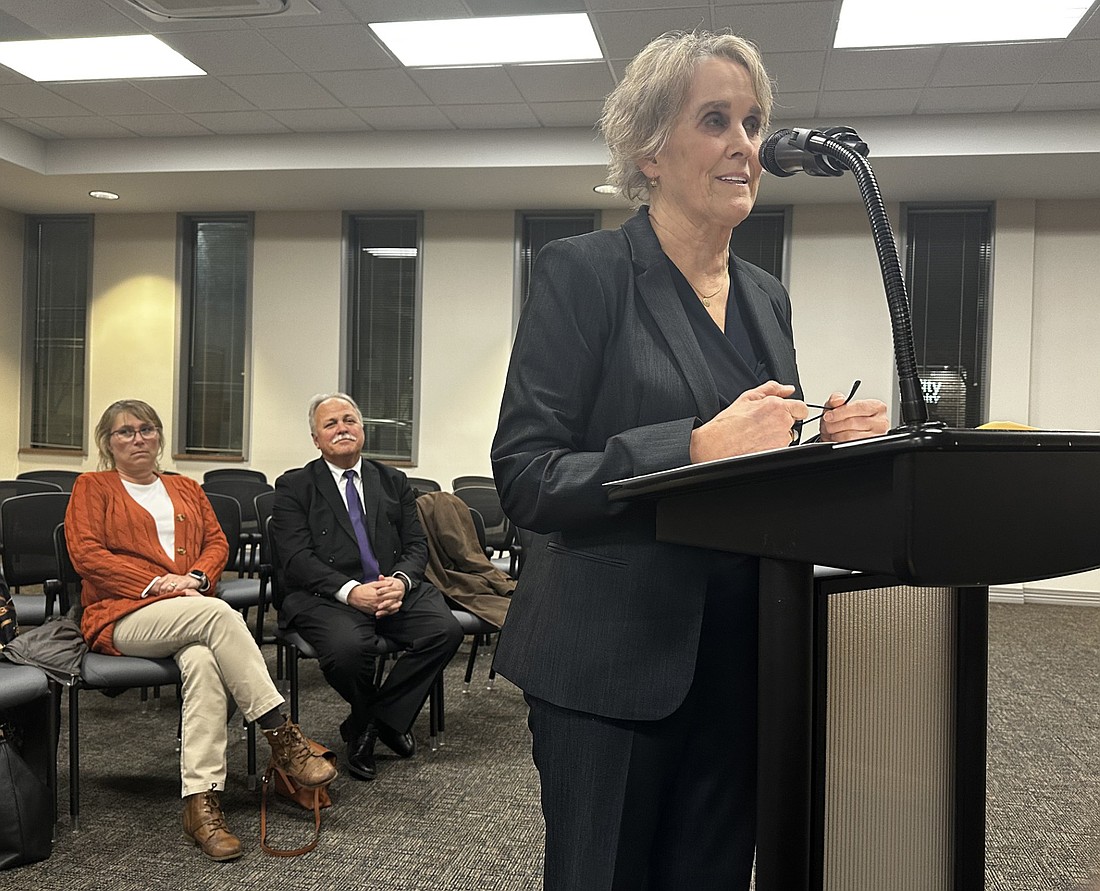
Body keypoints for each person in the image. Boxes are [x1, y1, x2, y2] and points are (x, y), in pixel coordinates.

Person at [490, 29, 890, 891]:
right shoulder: (585, 273)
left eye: (753, 122)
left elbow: (756, 464)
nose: (746, 145)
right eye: (716, 120)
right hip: (610, 664)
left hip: (746, 653)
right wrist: (693, 444)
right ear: (649, 150)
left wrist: (819, 441)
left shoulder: (765, 297)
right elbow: (526, 474)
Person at [65, 399, 337, 863]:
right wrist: (159, 585)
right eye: (125, 432)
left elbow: (217, 543)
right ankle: (280, 734)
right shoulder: (93, 487)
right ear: (107, 443)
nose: (138, 438)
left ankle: (201, 803)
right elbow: (87, 555)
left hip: (189, 606)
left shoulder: (186, 488)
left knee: (204, 660)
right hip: (121, 614)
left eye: (147, 429)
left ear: (159, 436)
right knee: (217, 615)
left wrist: (193, 579)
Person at [270, 393, 462, 782]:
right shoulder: (294, 486)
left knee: (445, 630)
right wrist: (349, 591)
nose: (342, 429)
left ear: (362, 429)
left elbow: (415, 545)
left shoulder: (393, 481)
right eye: (331, 424)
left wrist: (401, 582)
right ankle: (377, 722)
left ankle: (371, 722)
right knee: (348, 651)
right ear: (315, 438)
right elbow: (296, 559)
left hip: (390, 588)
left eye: (349, 421)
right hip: (325, 594)